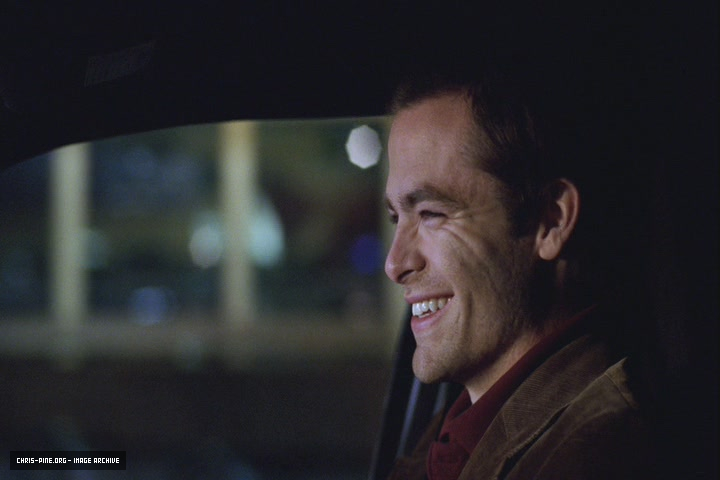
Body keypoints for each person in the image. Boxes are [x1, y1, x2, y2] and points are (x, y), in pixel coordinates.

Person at [381, 51, 657, 479]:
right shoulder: (462, 434)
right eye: (396, 218)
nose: (395, 264)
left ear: (551, 221)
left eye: (432, 214)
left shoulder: (599, 454)